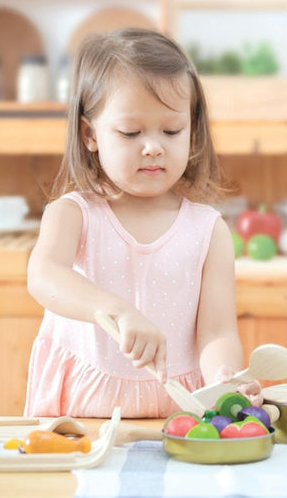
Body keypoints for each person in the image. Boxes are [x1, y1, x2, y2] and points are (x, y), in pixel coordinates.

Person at [24, 28, 259, 418]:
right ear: (89, 134)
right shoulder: (73, 214)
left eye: (172, 130)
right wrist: (117, 311)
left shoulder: (208, 230)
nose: (153, 146)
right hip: (84, 414)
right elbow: (44, 276)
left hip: (179, 411)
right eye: (131, 132)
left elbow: (217, 332)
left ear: (193, 129)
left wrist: (225, 379)